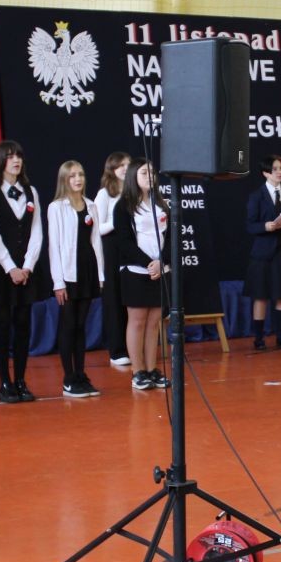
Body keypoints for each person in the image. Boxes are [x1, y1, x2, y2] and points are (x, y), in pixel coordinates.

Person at [0, 139, 43, 404]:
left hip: (26, 271)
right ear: (1, 161)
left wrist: (27, 266)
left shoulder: (31, 192)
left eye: (18, 156)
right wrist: (10, 267)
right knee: (2, 326)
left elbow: (36, 231)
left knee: (23, 326)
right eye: (10, 157)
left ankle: (20, 380)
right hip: (2, 271)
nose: (16, 160)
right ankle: (4, 382)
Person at [48, 160, 105, 398]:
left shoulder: (91, 206)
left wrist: (100, 275)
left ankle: (81, 373)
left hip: (87, 270)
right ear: (64, 180)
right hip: (68, 274)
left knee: (81, 325)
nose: (78, 179)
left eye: (80, 174)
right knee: (69, 325)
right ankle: (68, 377)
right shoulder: (56, 207)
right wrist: (58, 282)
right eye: (72, 176)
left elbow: (96, 242)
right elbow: (54, 246)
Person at [113, 157, 169, 390]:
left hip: (160, 270)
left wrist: (161, 262)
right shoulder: (123, 206)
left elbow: (170, 237)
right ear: (133, 176)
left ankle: (152, 368)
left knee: (154, 322)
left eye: (152, 173)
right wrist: (149, 263)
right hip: (136, 270)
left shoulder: (162, 204)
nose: (150, 177)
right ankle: (138, 371)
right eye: (144, 173)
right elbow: (124, 242)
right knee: (137, 322)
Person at [244, 153, 281, 351]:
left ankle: (280, 336)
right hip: (264, 254)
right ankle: (258, 338)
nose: (279, 172)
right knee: (261, 296)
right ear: (265, 173)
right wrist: (265, 226)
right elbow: (250, 225)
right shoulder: (256, 196)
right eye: (275, 169)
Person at [94, 152, 131, 367]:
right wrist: (119, 223)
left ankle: (132, 346)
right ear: (111, 169)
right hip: (111, 248)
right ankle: (116, 350)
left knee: (131, 298)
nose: (125, 168)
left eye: (127, 164)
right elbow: (97, 227)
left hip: (131, 247)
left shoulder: (134, 191)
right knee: (114, 298)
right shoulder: (105, 193)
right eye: (120, 165)